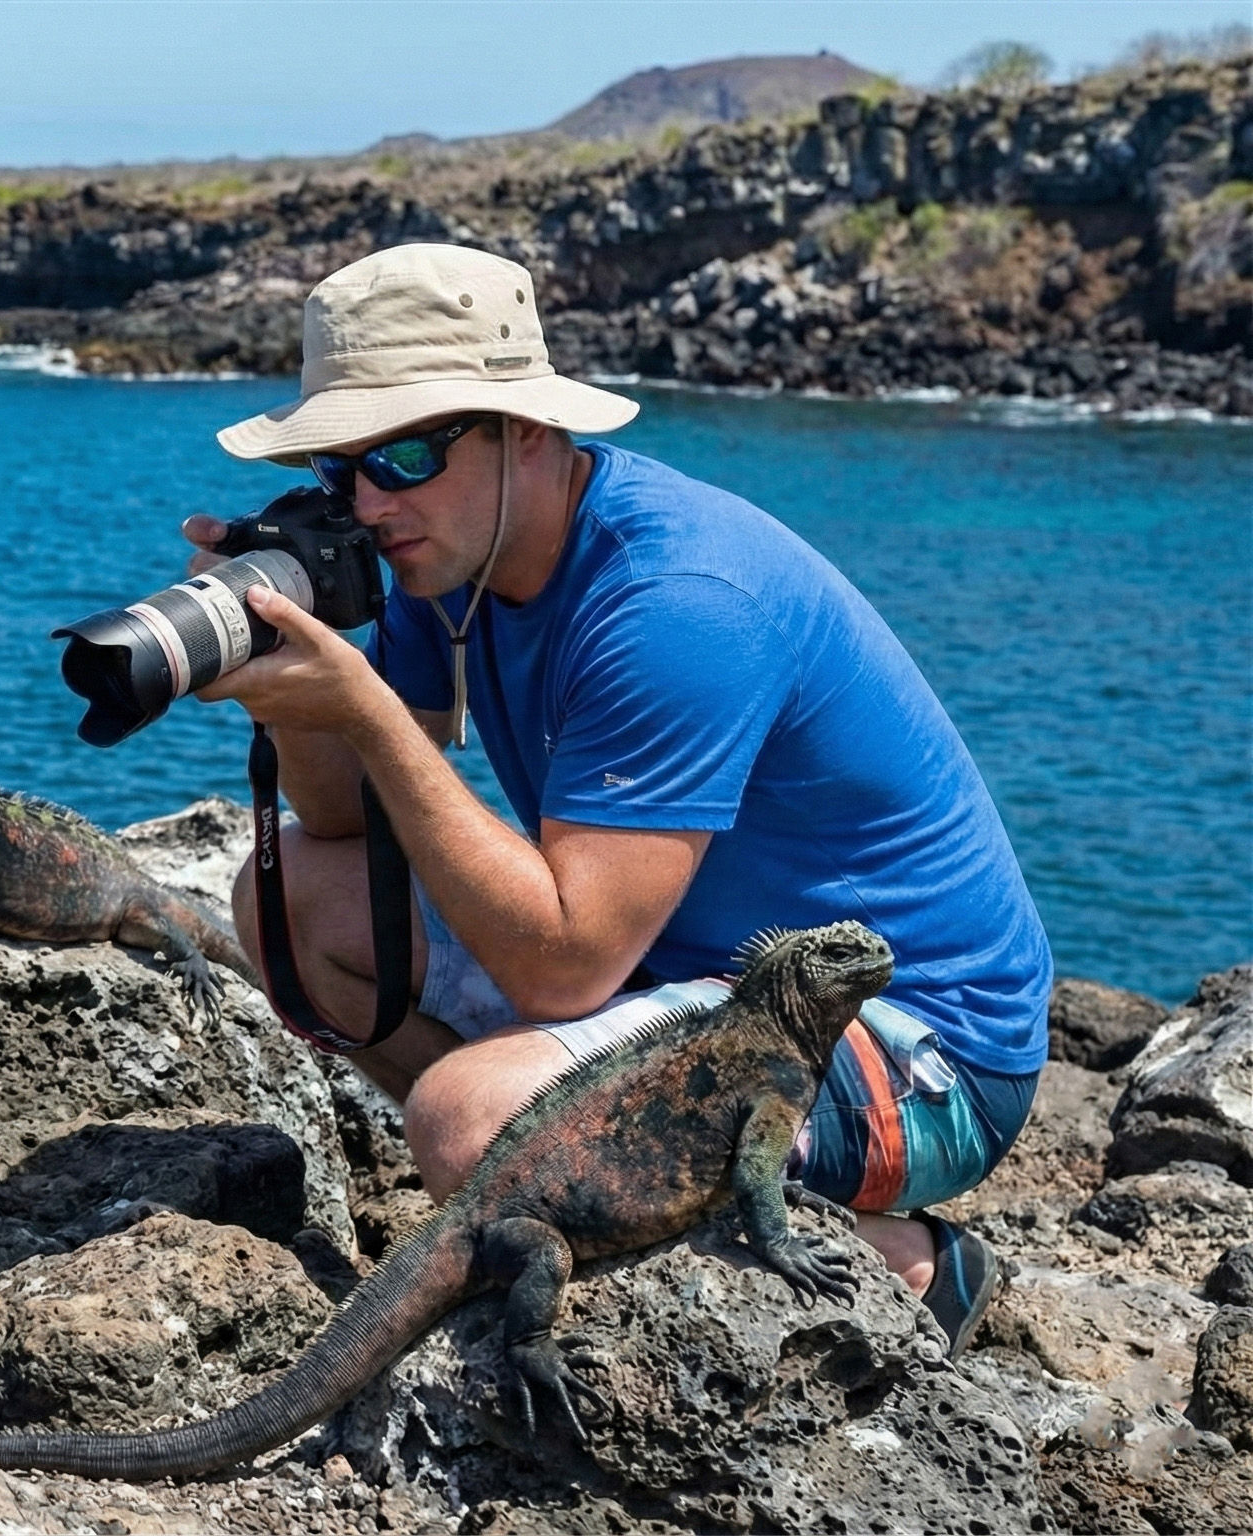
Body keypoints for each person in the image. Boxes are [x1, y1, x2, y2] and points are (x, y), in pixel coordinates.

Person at [190, 243, 1048, 1352]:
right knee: (291, 904)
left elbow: (563, 962)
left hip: (906, 1041)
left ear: (528, 432)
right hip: (686, 968)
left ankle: (907, 1267)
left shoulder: (675, 599)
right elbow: (348, 830)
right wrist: (287, 688)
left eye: (401, 452)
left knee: (468, 1123)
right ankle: (579, 1185)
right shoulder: (440, 555)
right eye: (334, 470)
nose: (364, 499)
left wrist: (362, 708)